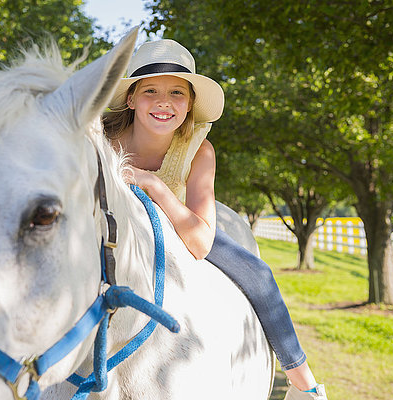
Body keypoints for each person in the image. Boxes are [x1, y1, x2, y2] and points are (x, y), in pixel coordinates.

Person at [103, 39, 328, 400]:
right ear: (131, 99)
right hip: (114, 227)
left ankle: (303, 382)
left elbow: (200, 241)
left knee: (259, 274)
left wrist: (153, 185)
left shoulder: (198, 148)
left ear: (190, 103)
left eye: (177, 91)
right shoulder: (104, 140)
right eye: (150, 91)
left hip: (178, 225)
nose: (164, 101)